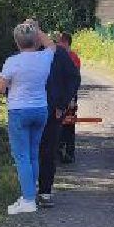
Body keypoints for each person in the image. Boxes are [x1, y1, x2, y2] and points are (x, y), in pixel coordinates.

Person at [0, 19, 54, 214]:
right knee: (33, 153)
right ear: (35, 39)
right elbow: (51, 43)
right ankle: (30, 194)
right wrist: (36, 29)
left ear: (17, 42)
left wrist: (8, 85)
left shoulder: (13, 61)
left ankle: (28, 200)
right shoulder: (45, 57)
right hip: (40, 109)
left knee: (21, 156)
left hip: (19, 111)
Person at [36, 29, 82, 207]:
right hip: (39, 110)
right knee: (34, 152)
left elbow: (74, 78)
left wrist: (62, 104)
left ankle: (44, 192)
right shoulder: (24, 55)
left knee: (46, 152)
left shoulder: (59, 54)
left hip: (50, 111)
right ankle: (33, 191)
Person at [53, 30, 83, 164]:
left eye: (58, 41)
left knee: (69, 123)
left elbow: (72, 79)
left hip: (68, 94)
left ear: (65, 42)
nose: (57, 44)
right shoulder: (64, 56)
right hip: (62, 94)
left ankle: (68, 152)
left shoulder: (72, 57)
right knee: (60, 122)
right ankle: (59, 150)